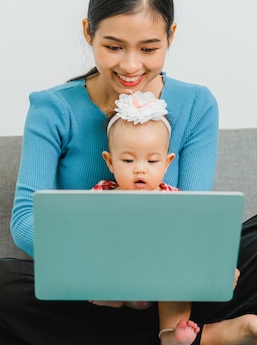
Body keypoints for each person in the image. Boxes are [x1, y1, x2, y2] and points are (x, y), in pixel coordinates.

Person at [0, 0, 257, 345]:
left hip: (172, 285)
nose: (131, 66)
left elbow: (194, 216)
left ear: (171, 36)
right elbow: (24, 222)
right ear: (88, 32)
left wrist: (209, 260)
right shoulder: (52, 109)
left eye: (149, 48)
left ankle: (153, 334)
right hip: (90, 287)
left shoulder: (197, 104)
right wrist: (109, 267)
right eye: (113, 46)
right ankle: (198, 338)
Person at [92, 90, 202, 345]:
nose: (140, 168)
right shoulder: (100, 194)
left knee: (178, 283)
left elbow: (193, 237)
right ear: (110, 162)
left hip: (161, 278)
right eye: (128, 160)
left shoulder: (174, 198)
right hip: (114, 276)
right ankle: (111, 309)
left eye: (152, 161)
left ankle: (171, 334)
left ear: (167, 162)